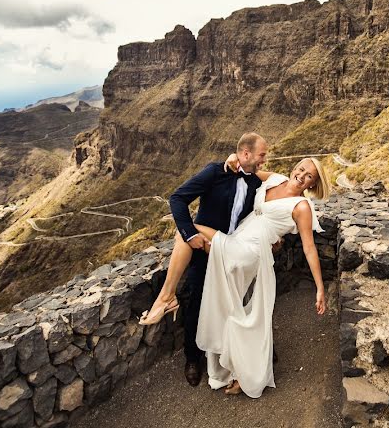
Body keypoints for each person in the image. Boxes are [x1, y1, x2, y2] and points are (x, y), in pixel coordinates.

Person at [141, 156, 331, 398]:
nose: (302, 176)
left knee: (187, 232)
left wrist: (320, 288)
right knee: (230, 311)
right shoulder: (275, 179)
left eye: (309, 177)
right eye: (302, 169)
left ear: (313, 184)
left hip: (248, 253)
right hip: (237, 240)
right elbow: (245, 169)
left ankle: (166, 297)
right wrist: (230, 159)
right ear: (295, 167)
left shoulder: (302, 206)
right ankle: (239, 371)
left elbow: (309, 248)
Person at [141, 133, 268, 387]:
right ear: (246, 154)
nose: (264, 160)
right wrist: (189, 235)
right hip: (204, 250)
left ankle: (241, 353)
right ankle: (192, 358)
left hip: (232, 253)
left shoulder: (255, 182)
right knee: (196, 302)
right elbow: (177, 198)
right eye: (262, 155)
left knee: (235, 305)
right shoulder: (214, 172)